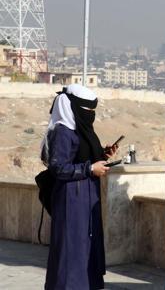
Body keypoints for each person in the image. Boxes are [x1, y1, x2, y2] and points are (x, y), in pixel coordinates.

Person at [44, 85, 118, 290]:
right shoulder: (62, 131)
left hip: (86, 196)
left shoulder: (80, 130)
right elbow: (58, 167)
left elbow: (81, 157)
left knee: (86, 249)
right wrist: (89, 169)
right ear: (74, 109)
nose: (91, 116)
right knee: (71, 250)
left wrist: (102, 156)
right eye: (88, 112)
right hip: (71, 198)